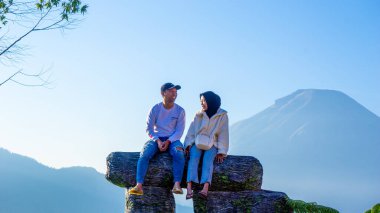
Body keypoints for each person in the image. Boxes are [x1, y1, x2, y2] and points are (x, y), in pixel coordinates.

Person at [128, 83, 186, 196]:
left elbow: (179, 131)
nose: (175, 93)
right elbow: (149, 129)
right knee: (145, 154)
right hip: (156, 139)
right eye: (171, 91)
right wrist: (158, 140)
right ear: (163, 93)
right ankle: (139, 185)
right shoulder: (155, 109)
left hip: (173, 140)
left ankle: (177, 184)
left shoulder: (180, 111)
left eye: (176, 91)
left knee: (179, 153)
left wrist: (169, 141)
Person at [184, 91, 229, 200]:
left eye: (204, 101)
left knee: (208, 160)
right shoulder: (198, 114)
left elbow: (223, 133)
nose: (202, 103)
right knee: (193, 158)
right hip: (198, 141)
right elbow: (192, 130)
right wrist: (188, 144)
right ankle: (189, 188)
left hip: (212, 143)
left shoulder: (222, 115)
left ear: (210, 101)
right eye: (201, 101)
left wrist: (221, 151)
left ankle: (205, 188)